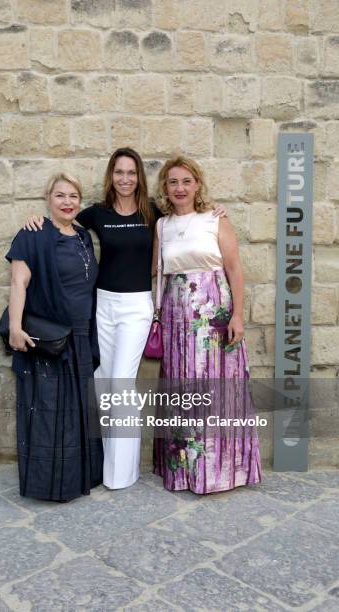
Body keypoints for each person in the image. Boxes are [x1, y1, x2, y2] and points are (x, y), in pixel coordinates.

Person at [23, 148, 226, 490]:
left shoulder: (153, 212)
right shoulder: (97, 214)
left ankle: (119, 477)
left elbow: (186, 214)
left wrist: (217, 211)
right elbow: (64, 220)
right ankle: (114, 466)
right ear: (111, 176)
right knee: (104, 382)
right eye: (119, 172)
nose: (125, 178)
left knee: (121, 384)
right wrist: (37, 222)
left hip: (136, 306)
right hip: (102, 304)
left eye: (131, 173)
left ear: (139, 178)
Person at [152, 155, 262, 494]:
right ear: (165, 189)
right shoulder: (162, 225)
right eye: (173, 182)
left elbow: (234, 269)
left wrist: (239, 316)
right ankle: (183, 471)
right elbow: (157, 272)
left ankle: (219, 470)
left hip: (214, 315)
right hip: (175, 317)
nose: (180, 188)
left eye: (186, 181)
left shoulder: (215, 220)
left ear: (197, 184)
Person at [6, 173, 103, 501]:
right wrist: (16, 328)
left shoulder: (82, 236)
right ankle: (50, 483)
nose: (67, 202)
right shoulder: (32, 235)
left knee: (78, 410)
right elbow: (19, 282)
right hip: (51, 337)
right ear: (49, 199)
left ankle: (79, 477)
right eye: (60, 195)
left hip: (81, 335)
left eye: (73, 196)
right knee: (50, 410)